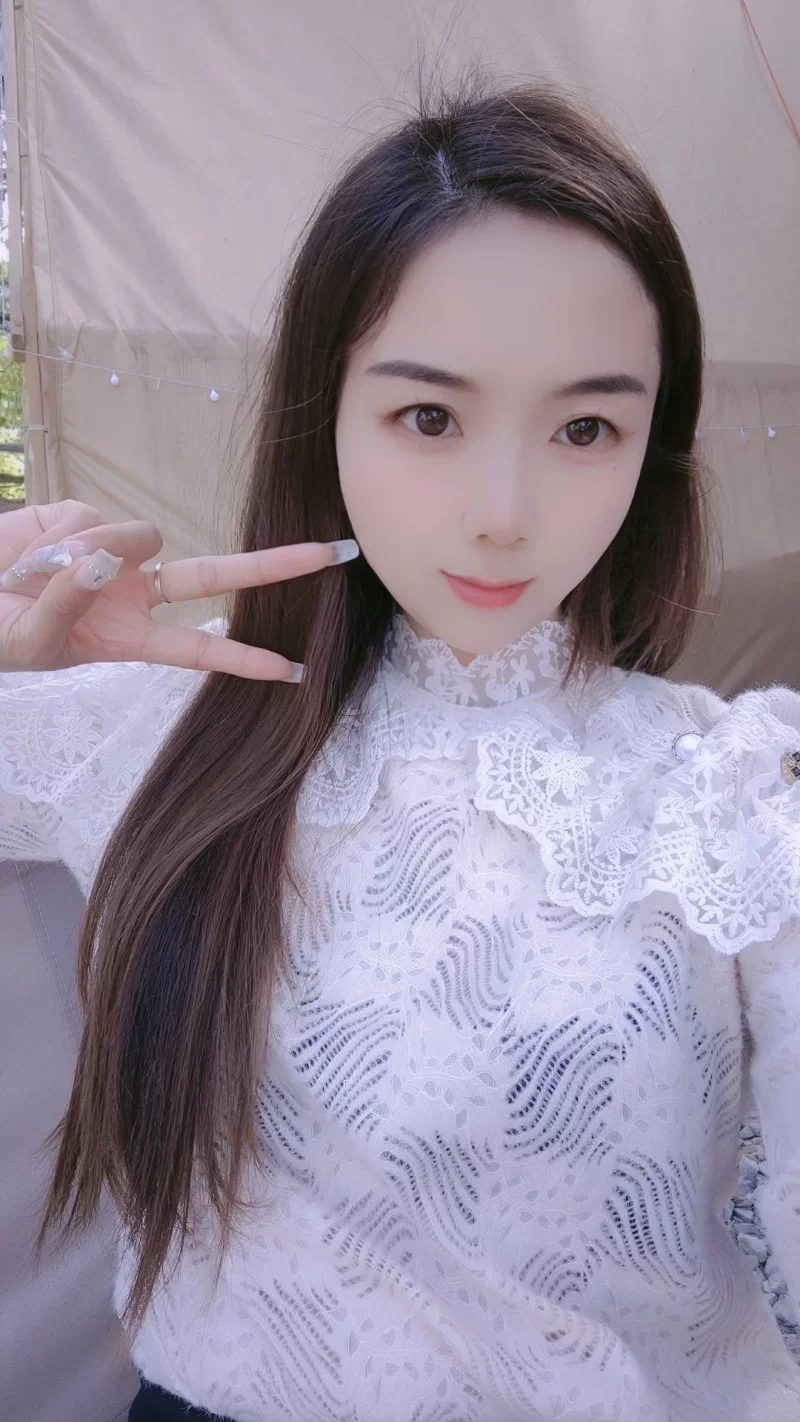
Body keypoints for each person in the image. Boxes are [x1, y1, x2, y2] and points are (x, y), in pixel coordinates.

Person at [0, 74, 798, 1422]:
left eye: (586, 427)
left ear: (650, 447)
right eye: (430, 417)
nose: (503, 511)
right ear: (327, 416)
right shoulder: (157, 720)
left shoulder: (732, 789)